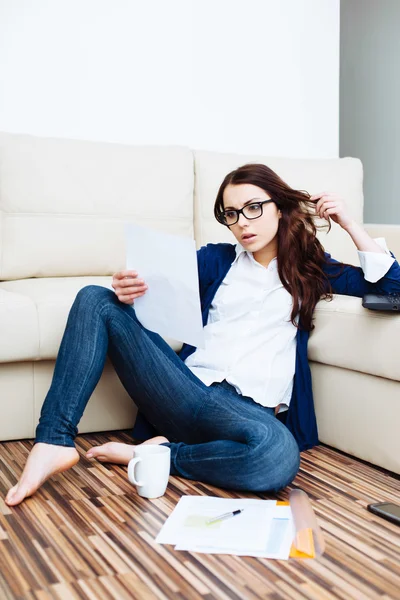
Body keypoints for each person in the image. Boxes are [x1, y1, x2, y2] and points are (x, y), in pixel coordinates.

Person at [5, 164, 400, 507]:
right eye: (231, 214)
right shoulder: (215, 259)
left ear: (279, 208)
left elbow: (392, 289)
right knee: (96, 298)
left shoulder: (313, 270)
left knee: (278, 455)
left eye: (253, 208)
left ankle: (158, 455)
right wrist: (129, 286)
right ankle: (54, 441)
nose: (242, 222)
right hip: (183, 390)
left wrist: (349, 223)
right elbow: (152, 289)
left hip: (246, 414)